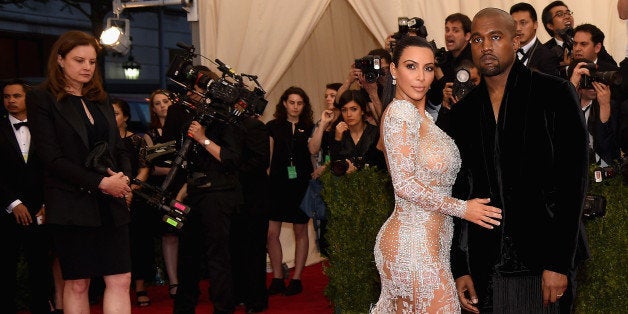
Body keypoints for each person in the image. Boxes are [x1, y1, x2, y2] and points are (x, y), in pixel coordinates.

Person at [442, 8, 588, 313]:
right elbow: (455, 194)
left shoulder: (555, 93)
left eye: (496, 37)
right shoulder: (463, 113)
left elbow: (572, 183)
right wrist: (459, 267)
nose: (486, 47)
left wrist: (558, 262)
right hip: (485, 264)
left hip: (544, 261)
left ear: (515, 39)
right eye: (478, 39)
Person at [370, 35, 502, 313]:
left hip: (431, 243)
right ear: (394, 70)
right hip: (412, 244)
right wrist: (463, 209)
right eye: (411, 66)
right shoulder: (401, 113)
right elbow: (404, 184)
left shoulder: (423, 117)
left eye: (428, 68)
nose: (420, 77)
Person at [26, 30, 133, 313]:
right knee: (77, 283)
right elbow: (52, 158)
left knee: (121, 278)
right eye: (79, 60)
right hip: (72, 203)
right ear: (60, 60)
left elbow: (118, 147)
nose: (87, 67)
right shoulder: (41, 98)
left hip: (111, 203)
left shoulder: (101, 99)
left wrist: (124, 181)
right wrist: (101, 183)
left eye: (92, 61)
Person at [173, 99, 244, 314]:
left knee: (217, 258)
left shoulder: (228, 122)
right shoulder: (191, 121)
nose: (193, 96)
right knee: (187, 257)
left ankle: (223, 308)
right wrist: (180, 195)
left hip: (218, 197)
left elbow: (231, 159)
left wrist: (203, 138)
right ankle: (184, 308)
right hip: (194, 194)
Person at [1, 79, 54, 314]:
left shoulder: (45, 128)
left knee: (40, 269)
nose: (11, 100)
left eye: (16, 96)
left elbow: (52, 168)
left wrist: (46, 203)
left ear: (27, 98)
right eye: (6, 97)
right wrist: (14, 203)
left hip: (39, 210)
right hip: (6, 210)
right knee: (5, 269)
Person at [266, 86, 315, 296]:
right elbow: (268, 160)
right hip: (277, 184)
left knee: (300, 231)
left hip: (301, 185)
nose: (295, 107)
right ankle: (277, 277)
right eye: (292, 102)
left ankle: (296, 278)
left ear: (304, 106)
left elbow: (314, 154)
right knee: (271, 233)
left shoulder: (310, 127)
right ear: (284, 103)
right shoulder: (272, 126)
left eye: (300, 103)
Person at [112, 98, 153, 307]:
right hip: (109, 198)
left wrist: (131, 189)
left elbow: (145, 168)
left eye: (116, 113)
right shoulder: (102, 142)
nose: (112, 117)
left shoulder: (137, 140)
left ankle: (140, 286)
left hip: (135, 198)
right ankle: (114, 288)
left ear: (126, 117)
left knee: (139, 243)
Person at [229, 114, 270, 313]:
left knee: (254, 250)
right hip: (231, 199)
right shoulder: (223, 126)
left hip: (253, 199)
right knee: (234, 248)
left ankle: (256, 299)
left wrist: (231, 168)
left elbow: (260, 161)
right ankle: (238, 294)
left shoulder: (255, 127)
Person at [144, 88, 180, 299]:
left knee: (190, 235)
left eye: (165, 101)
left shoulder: (183, 129)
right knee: (170, 234)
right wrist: (179, 168)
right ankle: (174, 282)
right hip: (166, 191)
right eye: (157, 103)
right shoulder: (151, 135)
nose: (162, 105)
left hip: (185, 190)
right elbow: (153, 168)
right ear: (153, 109)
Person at [569, 59, 621, 166]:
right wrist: (570, 89)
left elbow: (608, 150)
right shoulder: (564, 103)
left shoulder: (610, 105)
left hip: (599, 171)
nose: (593, 83)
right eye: (587, 78)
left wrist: (605, 106)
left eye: (595, 77)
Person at [541, 1, 617, 75]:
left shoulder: (589, 39)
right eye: (560, 14)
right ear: (550, 25)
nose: (567, 16)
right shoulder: (544, 51)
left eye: (568, 13)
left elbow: (612, 67)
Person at [329, 89, 385, 176]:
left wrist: (357, 170)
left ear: (362, 110)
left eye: (353, 109)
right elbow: (334, 167)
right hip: (345, 185)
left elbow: (379, 165)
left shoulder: (375, 132)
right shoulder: (338, 133)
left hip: (373, 184)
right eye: (344, 110)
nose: (348, 114)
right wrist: (337, 139)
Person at [510, 2, 560, 75]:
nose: (518, 28)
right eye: (514, 24)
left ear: (535, 25)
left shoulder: (548, 56)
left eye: (523, 23)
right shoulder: (506, 52)